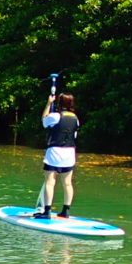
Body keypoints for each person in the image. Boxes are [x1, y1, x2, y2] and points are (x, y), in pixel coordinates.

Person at [34, 90, 81, 219]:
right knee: (67, 183)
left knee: (50, 182)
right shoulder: (75, 119)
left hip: (55, 152)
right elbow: (74, 135)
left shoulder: (55, 116)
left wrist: (48, 104)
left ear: (59, 103)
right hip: (69, 153)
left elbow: (44, 121)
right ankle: (66, 211)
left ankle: (47, 211)